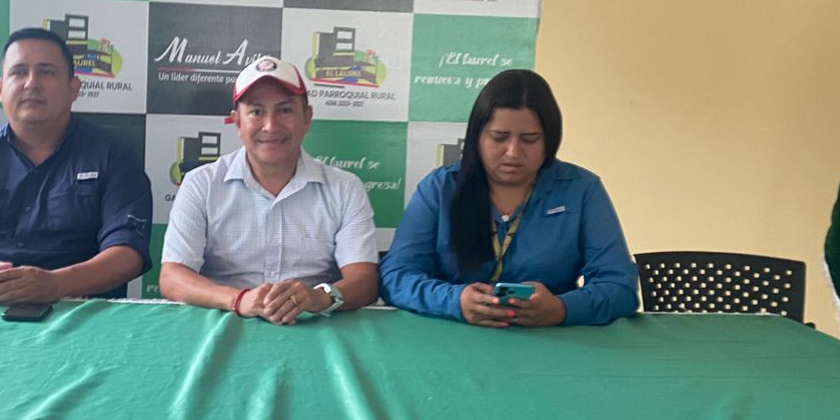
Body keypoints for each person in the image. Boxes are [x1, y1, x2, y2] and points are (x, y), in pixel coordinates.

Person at [0, 27, 151, 306]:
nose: (31, 83)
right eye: (19, 72)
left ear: (74, 89)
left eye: (46, 72)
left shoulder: (114, 157)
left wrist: (57, 284)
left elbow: (128, 252)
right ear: (0, 90)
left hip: (80, 312)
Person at [381, 69, 637, 327]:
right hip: (452, 337)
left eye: (529, 139)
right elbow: (395, 277)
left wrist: (562, 308)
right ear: (477, 138)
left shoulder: (581, 190)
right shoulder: (440, 188)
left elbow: (620, 287)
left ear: (549, 140)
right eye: (499, 137)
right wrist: (454, 301)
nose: (513, 152)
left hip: (552, 340)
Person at [159, 56, 378, 323]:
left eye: (285, 110)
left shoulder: (345, 188)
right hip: (223, 321)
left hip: (312, 325)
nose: (271, 126)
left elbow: (364, 281)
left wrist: (318, 297)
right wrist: (239, 300)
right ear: (237, 122)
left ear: (307, 118)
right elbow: (172, 277)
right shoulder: (200, 184)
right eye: (256, 112)